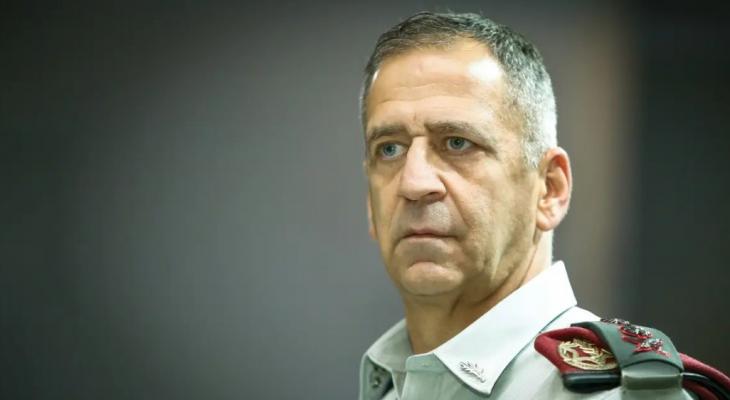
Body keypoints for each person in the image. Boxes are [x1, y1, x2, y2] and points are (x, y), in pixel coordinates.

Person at [357, 11, 729, 400]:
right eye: (390, 149)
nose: (414, 183)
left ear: (550, 189)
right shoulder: (390, 386)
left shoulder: (617, 395)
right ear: (370, 203)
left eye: (457, 143)